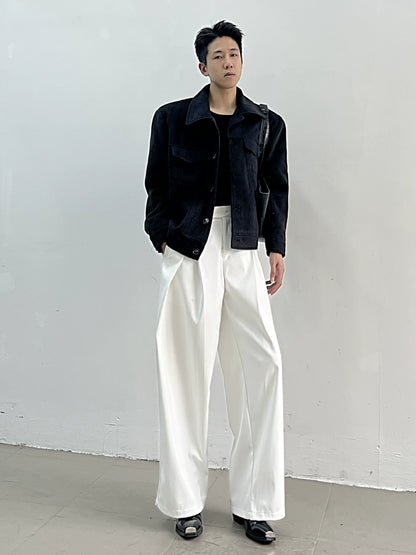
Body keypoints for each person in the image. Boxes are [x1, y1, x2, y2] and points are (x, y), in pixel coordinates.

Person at [144, 20, 289, 545]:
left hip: (244, 246)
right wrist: (162, 236)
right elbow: (156, 184)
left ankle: (255, 505)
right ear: (202, 65)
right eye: (219, 55)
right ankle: (185, 503)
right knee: (186, 372)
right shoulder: (172, 118)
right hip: (190, 247)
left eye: (235, 54)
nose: (229, 62)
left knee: (260, 367)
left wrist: (276, 247)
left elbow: (276, 188)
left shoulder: (266, 123)